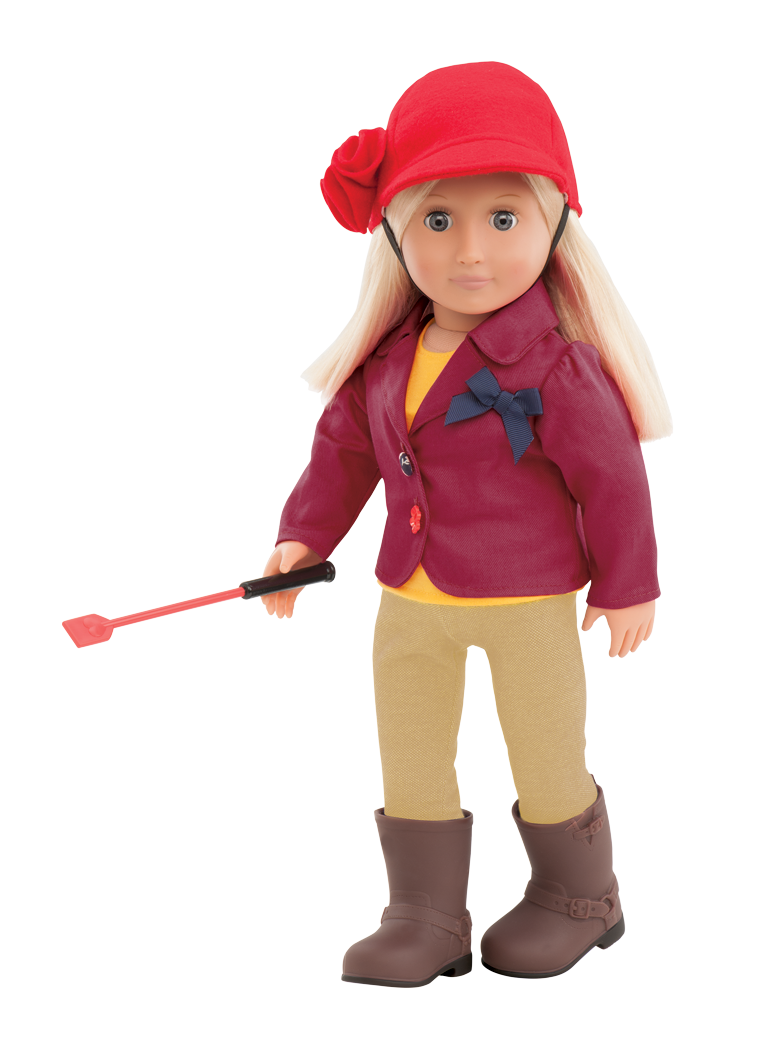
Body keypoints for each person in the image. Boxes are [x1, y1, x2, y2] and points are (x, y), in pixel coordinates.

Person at [260, 62, 669, 986]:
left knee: (545, 746)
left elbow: (613, 479)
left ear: (553, 224)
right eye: (439, 221)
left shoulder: (557, 366)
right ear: (397, 232)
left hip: (527, 598)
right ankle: (425, 911)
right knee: (409, 749)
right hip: (409, 599)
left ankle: (580, 895)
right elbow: (343, 456)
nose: (471, 252)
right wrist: (303, 538)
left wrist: (629, 584)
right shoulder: (387, 361)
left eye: (504, 219)